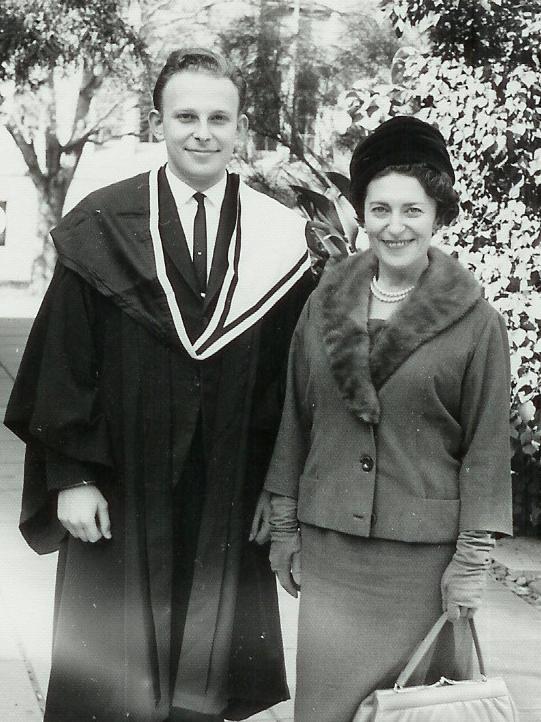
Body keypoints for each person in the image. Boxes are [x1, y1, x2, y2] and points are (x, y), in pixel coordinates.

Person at [4, 48, 312, 722]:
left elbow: (292, 382)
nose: (202, 131)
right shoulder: (104, 225)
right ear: (158, 123)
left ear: (240, 129)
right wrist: (70, 476)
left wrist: (277, 487)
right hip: (121, 483)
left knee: (208, 674)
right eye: (186, 116)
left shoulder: (277, 238)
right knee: (114, 675)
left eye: (217, 118)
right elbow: (63, 358)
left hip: (229, 484)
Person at [264, 116, 513, 722]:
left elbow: (485, 448)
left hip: (425, 565)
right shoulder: (322, 304)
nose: (394, 227)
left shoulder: (477, 322)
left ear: (438, 215)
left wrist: (471, 563)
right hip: (332, 553)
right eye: (379, 210)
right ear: (362, 213)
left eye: (412, 210)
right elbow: (297, 419)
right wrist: (284, 527)